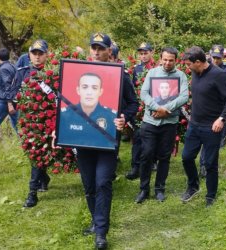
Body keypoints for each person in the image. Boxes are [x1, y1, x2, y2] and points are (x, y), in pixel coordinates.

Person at [74, 33, 138, 249]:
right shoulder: (80, 72)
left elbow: (133, 103)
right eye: (93, 47)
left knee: (103, 182)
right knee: (89, 184)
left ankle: (101, 232)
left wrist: (124, 118)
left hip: (107, 139)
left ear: (110, 51)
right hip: (83, 139)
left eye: (101, 48)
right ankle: (95, 220)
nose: (96, 52)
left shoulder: (121, 75)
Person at [180, 46, 226, 207]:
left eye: (189, 64)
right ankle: (193, 186)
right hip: (195, 124)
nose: (187, 67)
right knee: (186, 157)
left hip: (212, 127)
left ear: (198, 62)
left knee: (210, 163)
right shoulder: (195, 73)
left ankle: (210, 195)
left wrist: (222, 119)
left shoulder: (218, 75)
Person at [134, 47, 189, 203]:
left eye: (171, 60)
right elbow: (144, 94)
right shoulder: (152, 73)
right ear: (160, 58)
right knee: (146, 155)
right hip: (150, 122)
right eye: (165, 59)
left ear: (176, 60)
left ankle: (160, 189)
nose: (167, 63)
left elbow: (184, 96)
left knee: (164, 156)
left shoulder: (181, 76)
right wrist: (158, 108)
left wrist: (167, 110)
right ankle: (144, 189)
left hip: (169, 123)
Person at [15, 40, 51, 208]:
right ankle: (37, 186)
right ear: (29, 55)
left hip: (49, 120)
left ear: (46, 55)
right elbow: (15, 93)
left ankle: (37, 187)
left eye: (40, 53)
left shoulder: (53, 72)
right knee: (36, 153)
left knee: (44, 151)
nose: (37, 57)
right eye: (34, 53)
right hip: (31, 121)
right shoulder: (23, 72)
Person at [57, 73, 117, 149]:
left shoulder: (112, 116)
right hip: (82, 153)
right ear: (78, 90)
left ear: (100, 92)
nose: (89, 92)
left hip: (104, 152)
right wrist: (57, 135)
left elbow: (113, 141)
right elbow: (62, 136)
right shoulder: (65, 115)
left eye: (94, 88)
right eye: (85, 87)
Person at [126, 42, 156, 180]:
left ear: (152, 53)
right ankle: (135, 167)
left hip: (153, 107)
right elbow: (133, 89)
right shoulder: (136, 69)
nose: (143, 56)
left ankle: (151, 162)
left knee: (151, 138)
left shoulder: (157, 68)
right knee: (137, 137)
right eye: (141, 53)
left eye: (146, 53)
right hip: (139, 108)